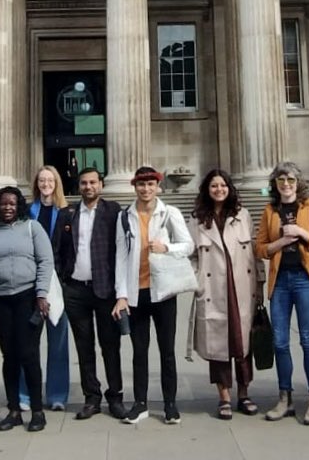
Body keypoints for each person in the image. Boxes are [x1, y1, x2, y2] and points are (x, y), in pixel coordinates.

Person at [112, 165, 194, 425]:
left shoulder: (170, 213)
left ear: (157, 186)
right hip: (137, 292)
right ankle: (140, 403)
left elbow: (188, 245)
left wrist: (166, 247)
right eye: (141, 184)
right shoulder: (125, 216)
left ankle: (170, 404)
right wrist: (121, 295)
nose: (146, 189)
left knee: (167, 350)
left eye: (150, 184)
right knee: (139, 351)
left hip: (163, 291)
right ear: (134, 187)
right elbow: (120, 257)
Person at [254, 161, 309, 425]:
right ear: (275, 184)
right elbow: (260, 248)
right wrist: (282, 241)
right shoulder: (269, 210)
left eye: (290, 180)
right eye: (281, 180)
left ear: (298, 183)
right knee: (279, 341)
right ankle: (284, 397)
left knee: (308, 339)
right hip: (280, 280)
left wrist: (300, 233)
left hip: (305, 279)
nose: (286, 184)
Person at [0, 186, 53, 433]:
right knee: (9, 356)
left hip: (28, 298)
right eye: (3, 203)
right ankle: (14, 410)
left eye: (12, 203)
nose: (8, 207)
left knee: (29, 354)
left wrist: (41, 293)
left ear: (19, 206)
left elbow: (45, 261)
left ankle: (37, 411)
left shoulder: (32, 228)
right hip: (0, 301)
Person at [52, 166, 125, 420]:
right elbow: (57, 250)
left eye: (93, 182)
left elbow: (122, 249)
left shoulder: (113, 211)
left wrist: (121, 290)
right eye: (84, 183)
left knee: (110, 345)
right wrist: (63, 281)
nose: (88, 187)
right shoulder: (67, 214)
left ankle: (115, 396)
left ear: (101, 185)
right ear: (79, 186)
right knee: (84, 347)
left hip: (105, 289)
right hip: (76, 290)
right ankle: (91, 397)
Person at [190, 168, 259, 419]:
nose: (219, 190)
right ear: (206, 190)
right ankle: (224, 397)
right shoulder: (197, 219)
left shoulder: (243, 215)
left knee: (242, 342)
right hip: (213, 289)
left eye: (222, 186)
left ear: (229, 189)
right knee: (218, 344)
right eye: (214, 186)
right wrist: (197, 280)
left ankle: (244, 393)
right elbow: (191, 255)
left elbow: (254, 252)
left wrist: (260, 285)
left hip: (241, 286)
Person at [19, 166, 70, 412]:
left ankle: (57, 394)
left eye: (50, 180)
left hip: (58, 282)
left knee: (58, 340)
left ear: (57, 183)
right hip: (31, 281)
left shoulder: (67, 212)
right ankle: (25, 394)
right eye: (42, 180)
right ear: (36, 184)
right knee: (28, 341)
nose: (46, 184)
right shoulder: (27, 212)